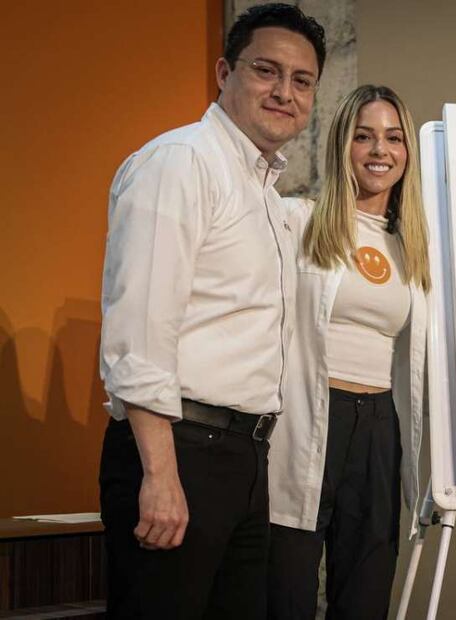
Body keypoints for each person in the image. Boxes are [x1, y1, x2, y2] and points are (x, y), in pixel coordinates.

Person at [98, 4, 325, 618]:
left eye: (301, 81)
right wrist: (161, 476)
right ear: (225, 71)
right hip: (179, 452)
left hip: (245, 459)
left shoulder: (265, 195)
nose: (284, 92)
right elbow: (139, 331)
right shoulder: (182, 162)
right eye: (266, 71)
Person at [267, 84, 431, 620]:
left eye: (393, 137)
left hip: (380, 430)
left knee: (364, 595)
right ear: (344, 146)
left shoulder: (414, 246)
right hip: (307, 419)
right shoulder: (298, 221)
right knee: (283, 592)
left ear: (407, 151)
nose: (379, 151)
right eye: (364, 137)